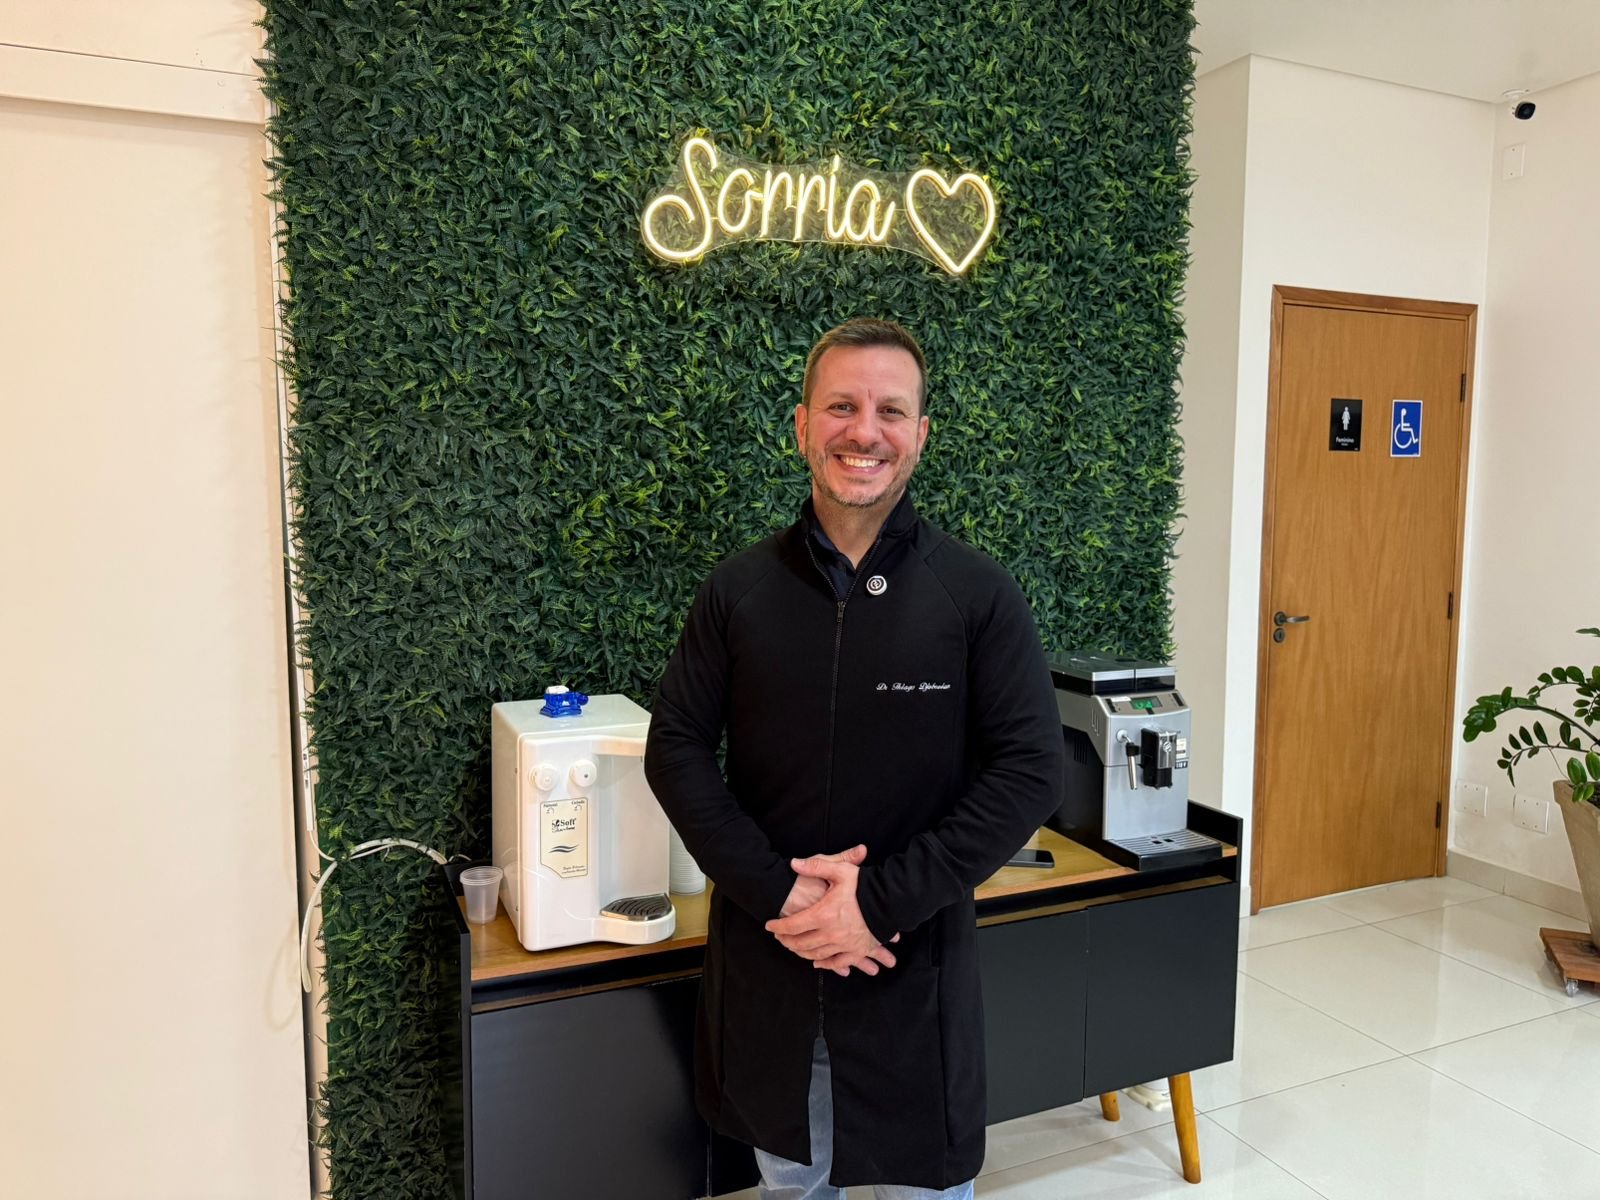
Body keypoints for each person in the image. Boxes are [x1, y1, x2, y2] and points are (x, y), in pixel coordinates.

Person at [644, 318, 1064, 1198]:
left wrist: (876, 902)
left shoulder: (977, 594)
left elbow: (1030, 770)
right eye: (841, 406)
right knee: (792, 1183)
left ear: (920, 433)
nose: (864, 431)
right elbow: (675, 746)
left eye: (890, 411)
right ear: (803, 424)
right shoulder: (737, 590)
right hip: (773, 961)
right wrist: (783, 893)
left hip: (911, 974)